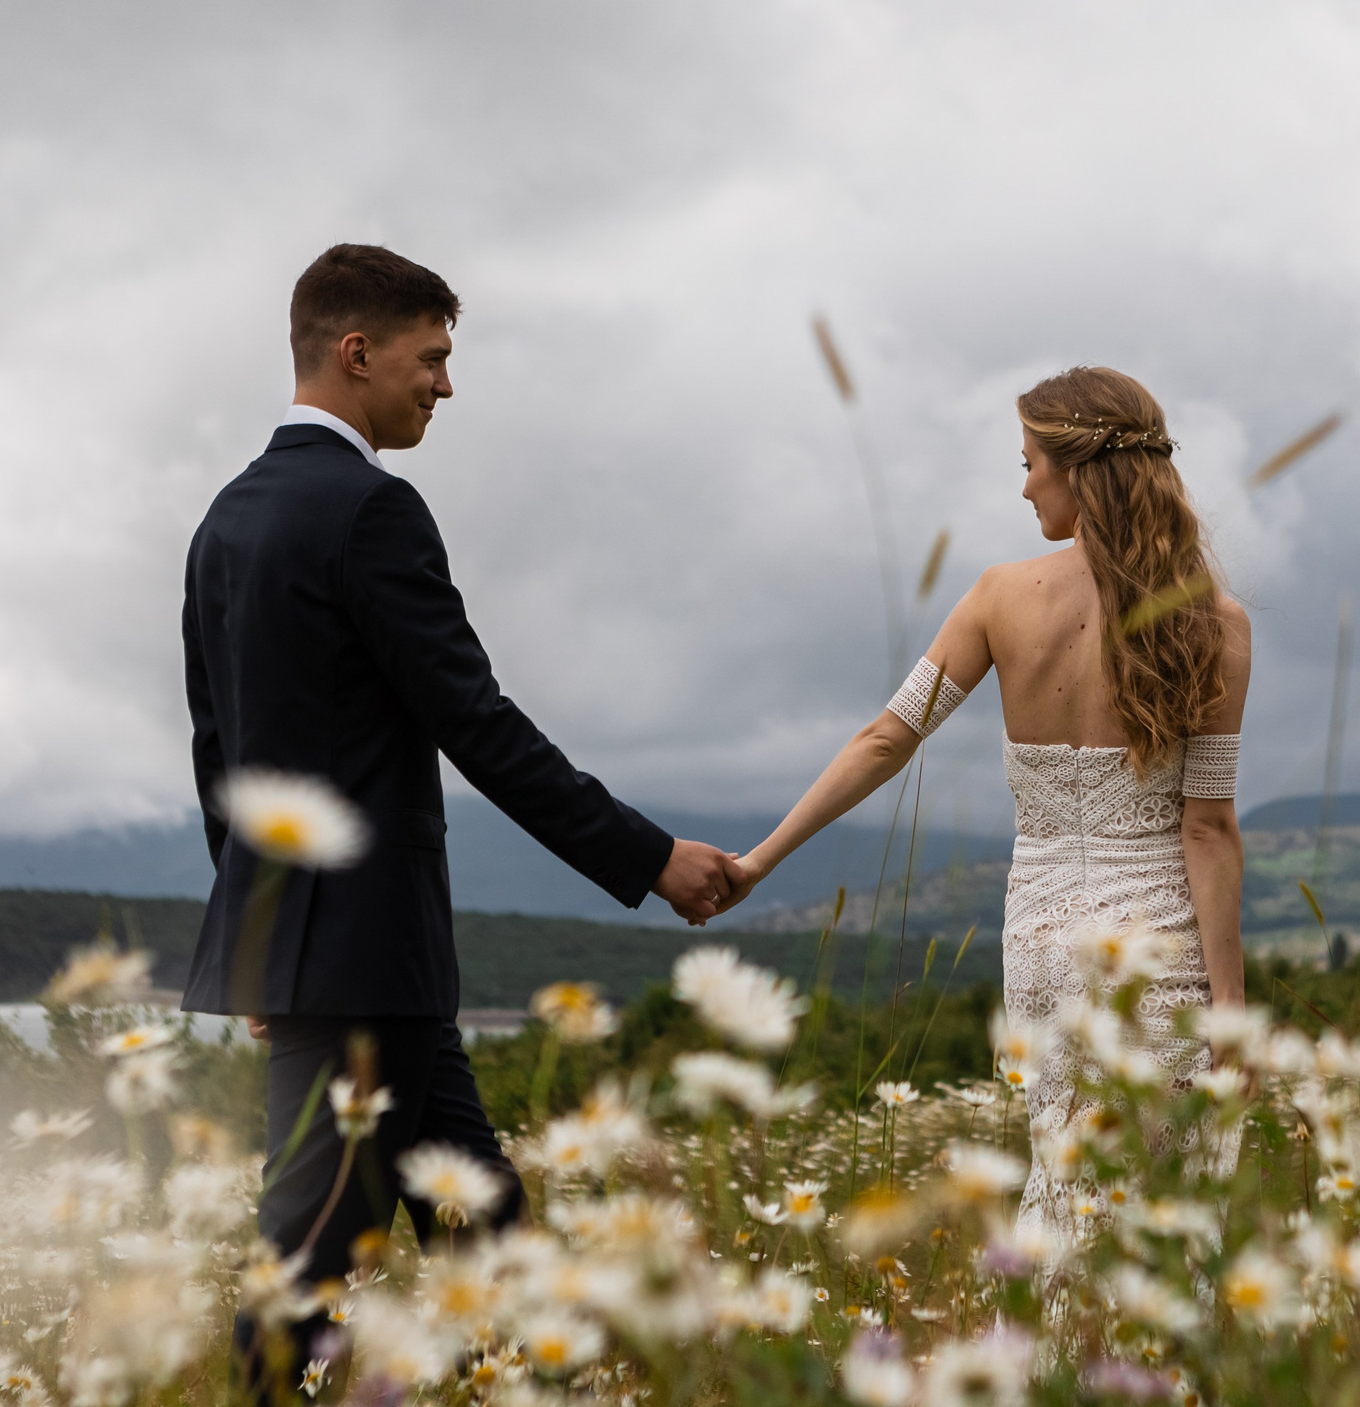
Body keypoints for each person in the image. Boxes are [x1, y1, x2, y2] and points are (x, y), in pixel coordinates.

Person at [177, 244, 743, 1384]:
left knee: (487, 1229)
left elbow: (219, 756)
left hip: (333, 964)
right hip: (364, 963)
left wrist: (257, 946)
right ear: (357, 353)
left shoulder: (223, 523)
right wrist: (649, 858)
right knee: (308, 1265)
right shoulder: (373, 513)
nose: (445, 384)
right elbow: (477, 724)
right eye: (431, 358)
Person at [725, 364, 1249, 1231]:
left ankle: (1059, 1358)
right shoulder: (1214, 621)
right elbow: (1208, 825)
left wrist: (759, 860)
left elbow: (887, 739)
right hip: (1161, 948)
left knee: (1068, 1178)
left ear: (1076, 470)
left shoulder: (1000, 596)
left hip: (1039, 939)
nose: (1024, 485)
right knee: (1162, 1213)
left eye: (1029, 462)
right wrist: (1229, 1004)